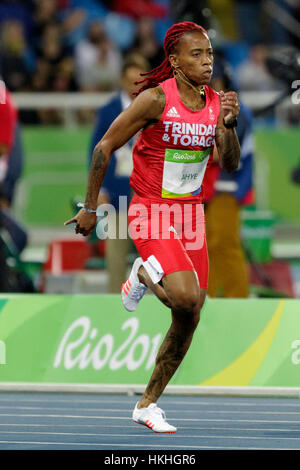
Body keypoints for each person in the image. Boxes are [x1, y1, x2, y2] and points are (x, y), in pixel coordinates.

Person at [65, 21, 240, 433]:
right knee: (182, 296)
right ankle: (143, 270)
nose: (207, 61)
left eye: (210, 54)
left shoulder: (215, 103)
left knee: (192, 312)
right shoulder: (154, 100)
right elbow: (104, 146)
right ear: (175, 61)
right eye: (196, 55)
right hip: (149, 209)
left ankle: (147, 404)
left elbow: (229, 163)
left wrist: (229, 126)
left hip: (190, 216)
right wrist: (90, 207)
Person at [88, 53, 149, 293]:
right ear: (122, 80)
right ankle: (114, 304)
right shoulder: (108, 111)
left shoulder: (156, 108)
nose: (135, 85)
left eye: (140, 80)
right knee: (116, 255)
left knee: (155, 259)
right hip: (118, 196)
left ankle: (158, 308)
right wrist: (100, 189)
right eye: (131, 80)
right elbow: (97, 152)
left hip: (148, 199)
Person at [203, 56, 254, 298]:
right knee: (206, 248)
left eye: (216, 81)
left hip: (225, 188)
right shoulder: (205, 107)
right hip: (204, 191)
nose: (213, 86)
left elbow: (226, 153)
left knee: (225, 245)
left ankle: (237, 298)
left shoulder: (236, 112)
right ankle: (208, 298)